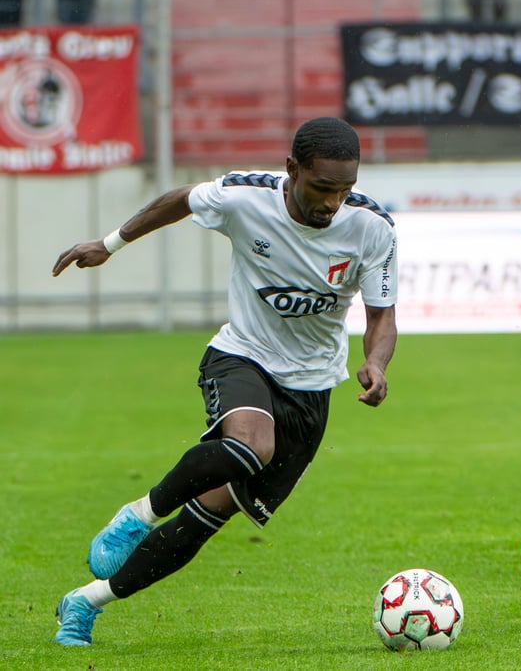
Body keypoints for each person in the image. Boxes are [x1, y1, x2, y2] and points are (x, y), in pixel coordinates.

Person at [50, 117, 398, 646]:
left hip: (312, 390)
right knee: (249, 446)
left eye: (344, 189)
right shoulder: (244, 197)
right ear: (292, 170)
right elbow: (180, 200)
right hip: (243, 356)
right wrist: (109, 243)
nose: (332, 202)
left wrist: (377, 362)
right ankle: (137, 514)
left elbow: (381, 316)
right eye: (322, 188)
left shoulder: (372, 228)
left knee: (207, 518)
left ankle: (85, 602)